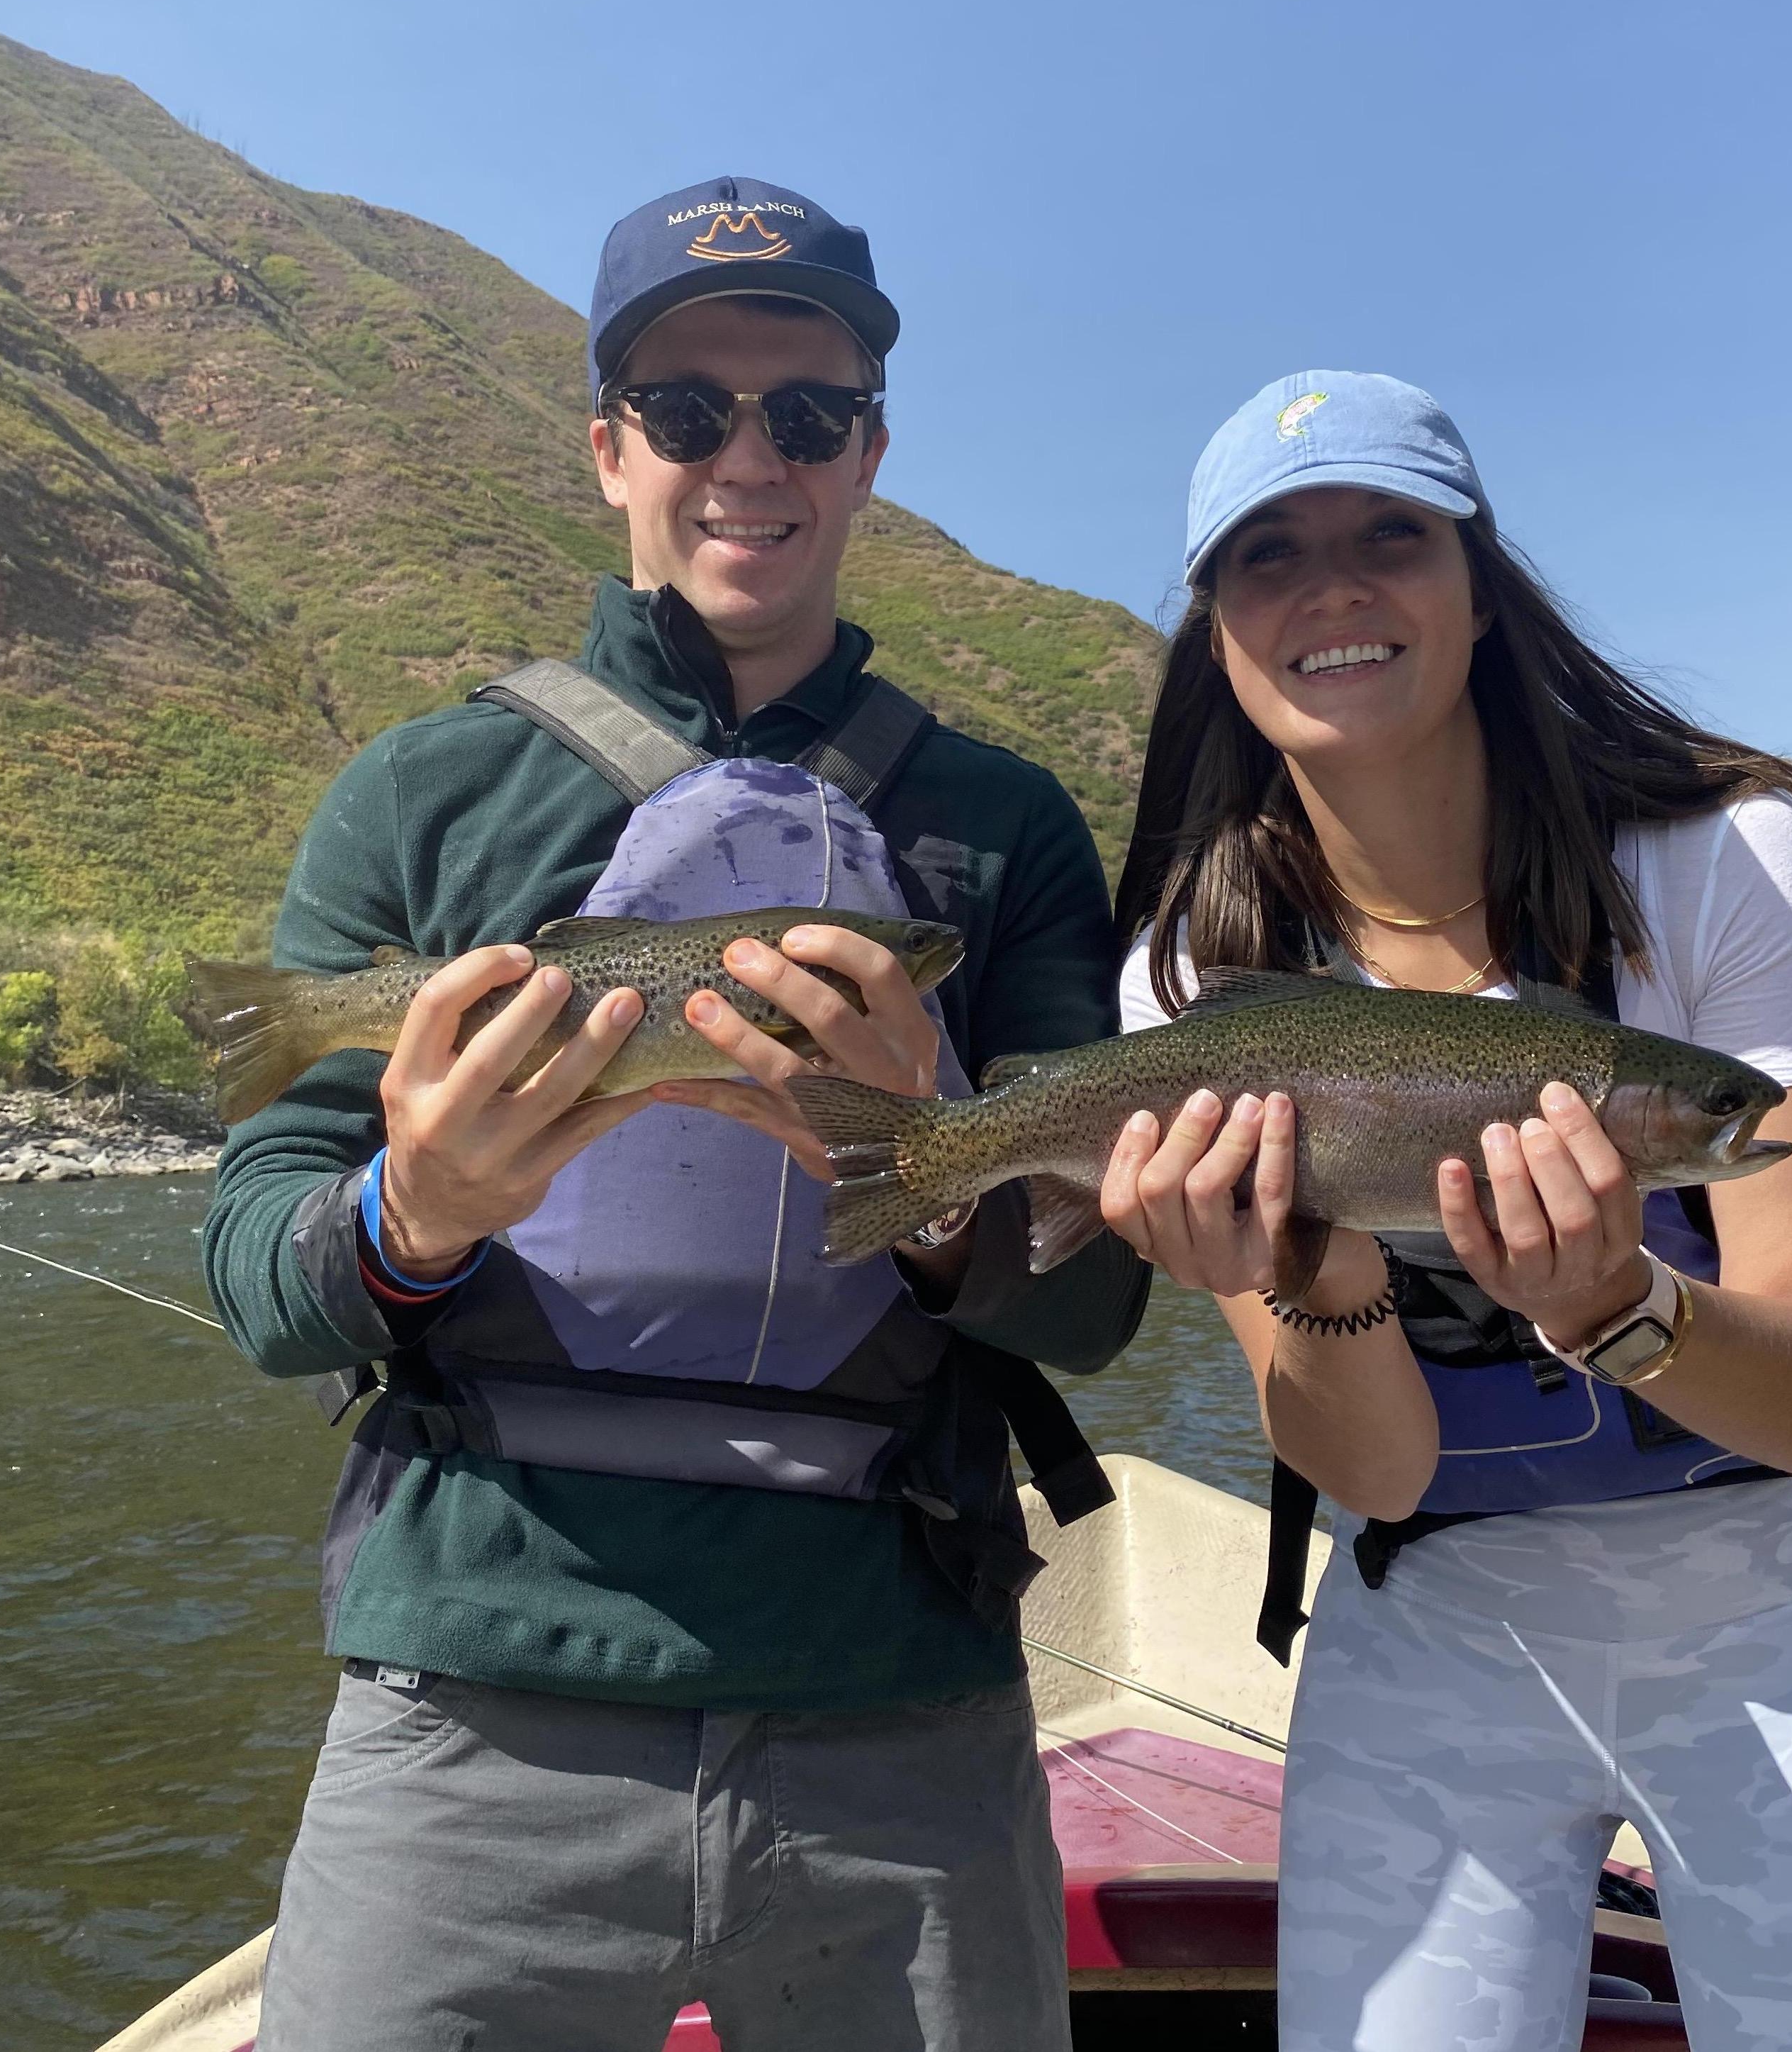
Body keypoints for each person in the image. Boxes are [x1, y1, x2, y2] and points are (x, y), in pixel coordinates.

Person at [203, 175, 1148, 2052]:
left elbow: (1096, 1305)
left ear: (868, 450)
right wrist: (419, 1211)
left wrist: (938, 1173)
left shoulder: (1015, 824)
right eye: (689, 408)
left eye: (803, 412)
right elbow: (256, 1276)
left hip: (905, 1718)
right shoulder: (419, 795)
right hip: (467, 1709)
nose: (748, 457)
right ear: (607, 445)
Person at [1099, 372, 1792, 2050]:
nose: (1336, 587)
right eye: (1269, 556)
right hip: (1437, 1610)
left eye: (1394, 535)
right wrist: (1315, 1267)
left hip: (1791, 1599)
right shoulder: (1188, 975)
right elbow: (1372, 1473)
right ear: (1216, 627)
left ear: (1480, 591)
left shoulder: (1717, 858)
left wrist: (1624, 1313)